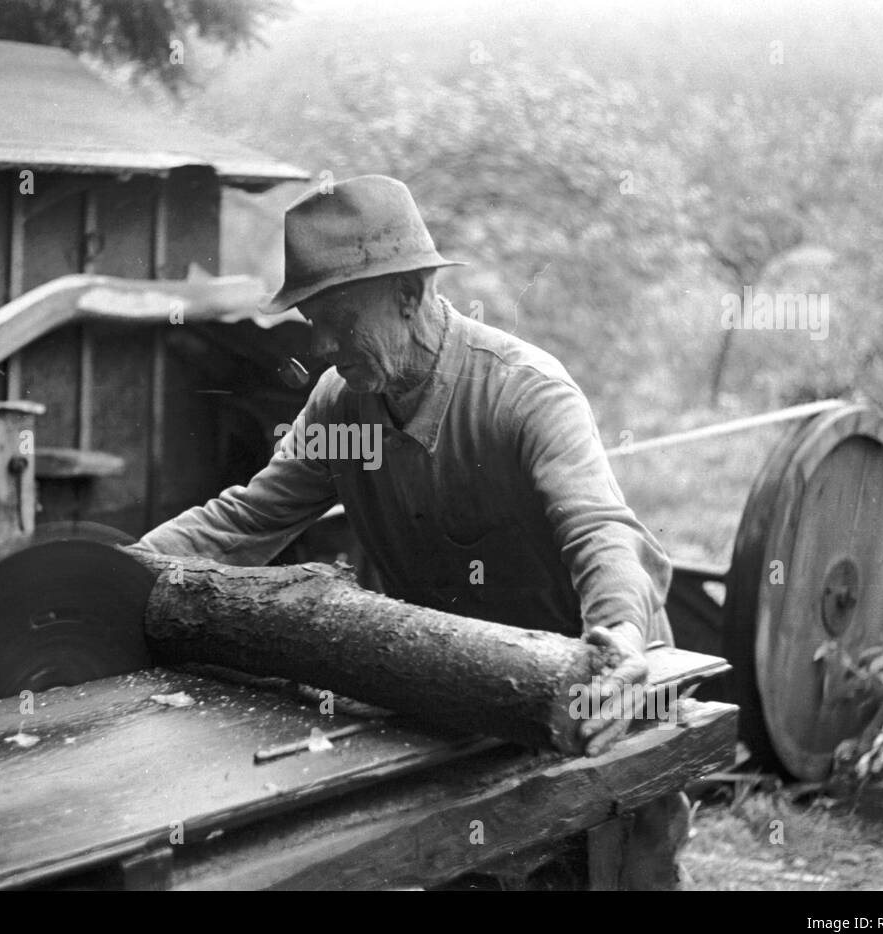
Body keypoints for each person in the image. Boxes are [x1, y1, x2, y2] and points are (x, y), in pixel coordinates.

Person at [136, 175, 689, 885]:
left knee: (622, 872)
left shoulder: (523, 394)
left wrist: (616, 637)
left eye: (340, 314)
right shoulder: (343, 411)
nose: (326, 341)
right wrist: (125, 569)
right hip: (461, 695)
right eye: (313, 318)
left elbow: (601, 528)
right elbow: (247, 519)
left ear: (411, 293)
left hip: (593, 693)